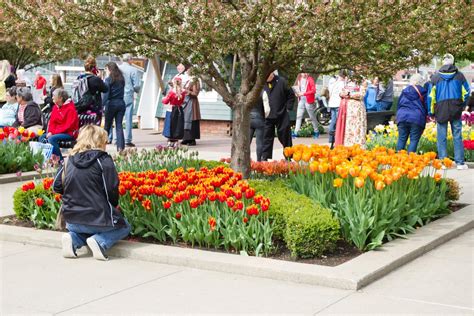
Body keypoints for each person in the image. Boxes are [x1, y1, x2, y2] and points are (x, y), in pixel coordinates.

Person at [53, 125, 130, 260]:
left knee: (84, 230)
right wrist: (114, 207)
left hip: (72, 220)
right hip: (99, 218)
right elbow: (111, 189)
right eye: (105, 141)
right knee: (125, 226)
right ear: (99, 141)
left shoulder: (68, 160)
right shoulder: (103, 159)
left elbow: (57, 186)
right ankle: (100, 241)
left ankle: (73, 239)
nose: (106, 145)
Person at [428, 53, 470, 170]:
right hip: (455, 108)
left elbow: (430, 97)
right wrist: (462, 105)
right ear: (453, 62)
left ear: (443, 62)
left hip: (440, 109)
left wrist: (431, 112)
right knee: (457, 135)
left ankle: (443, 162)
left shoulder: (435, 78)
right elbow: (467, 92)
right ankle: (460, 163)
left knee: (442, 136)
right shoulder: (459, 76)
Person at [261, 71, 295, 161]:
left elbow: (291, 95)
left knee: (285, 136)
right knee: (266, 137)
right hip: (267, 115)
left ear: (272, 73)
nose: (267, 77)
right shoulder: (261, 83)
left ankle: (288, 156)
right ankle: (264, 157)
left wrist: (288, 108)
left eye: (269, 75)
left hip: (281, 114)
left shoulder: (282, 81)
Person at [109, 54, 141, 147]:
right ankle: (127, 139)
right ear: (130, 60)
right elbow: (136, 85)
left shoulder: (117, 69)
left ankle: (116, 138)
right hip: (128, 95)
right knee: (128, 117)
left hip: (118, 95)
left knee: (117, 119)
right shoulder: (133, 70)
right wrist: (136, 91)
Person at [40, 89, 79, 162]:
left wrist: (53, 133)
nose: (52, 98)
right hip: (57, 132)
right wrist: (50, 131)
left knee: (52, 139)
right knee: (42, 137)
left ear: (60, 98)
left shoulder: (70, 109)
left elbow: (68, 126)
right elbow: (52, 122)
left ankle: (60, 161)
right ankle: (48, 159)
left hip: (69, 133)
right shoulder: (55, 107)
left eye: (54, 96)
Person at [395, 74, 427, 153]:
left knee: (402, 138)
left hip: (402, 116)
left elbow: (399, 104)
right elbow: (426, 105)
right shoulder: (423, 91)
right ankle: (410, 160)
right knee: (414, 140)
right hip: (416, 117)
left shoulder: (404, 91)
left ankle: (398, 159)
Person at [335, 80, 367, 148]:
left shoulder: (363, 81)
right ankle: (347, 147)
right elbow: (340, 92)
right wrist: (342, 94)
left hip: (357, 109)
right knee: (348, 128)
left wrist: (349, 95)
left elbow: (362, 94)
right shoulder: (346, 80)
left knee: (357, 128)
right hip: (347, 108)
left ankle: (357, 147)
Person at [102, 62, 126, 152]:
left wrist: (102, 105)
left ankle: (102, 147)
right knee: (119, 126)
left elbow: (106, 94)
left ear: (109, 69)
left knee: (107, 126)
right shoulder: (121, 79)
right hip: (121, 103)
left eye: (106, 69)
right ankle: (120, 148)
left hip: (111, 103)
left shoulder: (108, 79)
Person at [77, 56, 108, 123]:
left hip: (80, 107)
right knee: (94, 130)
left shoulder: (79, 78)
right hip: (93, 108)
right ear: (94, 68)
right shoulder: (95, 79)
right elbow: (105, 89)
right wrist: (100, 78)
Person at [292, 73, 318, 138]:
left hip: (308, 100)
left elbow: (313, 90)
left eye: (306, 73)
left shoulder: (310, 79)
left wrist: (303, 93)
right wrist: (296, 93)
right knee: (298, 116)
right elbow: (296, 88)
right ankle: (296, 132)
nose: (305, 74)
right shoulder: (299, 78)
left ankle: (316, 131)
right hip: (301, 100)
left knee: (312, 117)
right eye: (303, 73)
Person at [162, 77, 186, 147]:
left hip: (171, 109)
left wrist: (163, 98)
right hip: (179, 110)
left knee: (170, 125)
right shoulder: (183, 92)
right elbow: (182, 101)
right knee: (177, 125)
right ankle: (176, 140)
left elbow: (166, 101)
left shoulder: (171, 92)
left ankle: (170, 140)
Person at [181, 69, 201, 146]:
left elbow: (195, 93)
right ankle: (186, 138)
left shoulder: (195, 80)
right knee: (185, 119)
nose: (186, 71)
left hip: (192, 103)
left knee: (192, 119)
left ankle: (192, 140)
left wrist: (187, 92)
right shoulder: (188, 80)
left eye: (188, 70)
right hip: (186, 102)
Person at [328, 70, 347, 148]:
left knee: (333, 120)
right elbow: (343, 93)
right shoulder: (342, 83)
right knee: (336, 121)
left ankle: (331, 139)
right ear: (344, 76)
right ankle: (333, 139)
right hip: (337, 103)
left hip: (332, 103)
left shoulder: (332, 82)